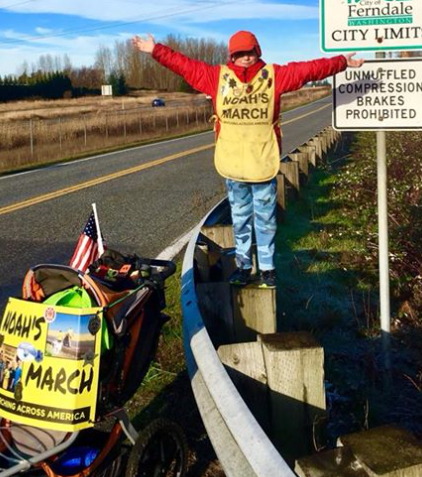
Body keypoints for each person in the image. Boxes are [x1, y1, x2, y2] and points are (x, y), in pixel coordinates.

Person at [132, 31, 364, 288]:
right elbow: (184, 66)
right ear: (232, 55)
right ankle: (243, 267)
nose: (245, 57)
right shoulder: (216, 77)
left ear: (258, 51)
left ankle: (267, 269)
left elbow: (308, 70)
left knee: (265, 219)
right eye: (239, 53)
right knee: (240, 219)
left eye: (249, 52)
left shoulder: (274, 76)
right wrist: (155, 50)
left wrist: (341, 62)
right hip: (234, 165)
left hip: (262, 162)